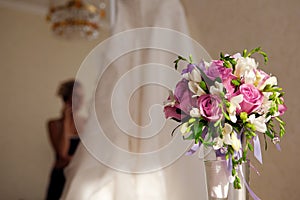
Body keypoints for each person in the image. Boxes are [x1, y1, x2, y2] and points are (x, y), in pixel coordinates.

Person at [45, 79, 85, 200]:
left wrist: (72, 160)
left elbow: (91, 154)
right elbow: (62, 153)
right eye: (76, 96)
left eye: (82, 97)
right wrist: (66, 120)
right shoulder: (54, 124)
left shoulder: (87, 123)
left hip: (79, 176)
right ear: (67, 99)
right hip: (60, 177)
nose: (81, 101)